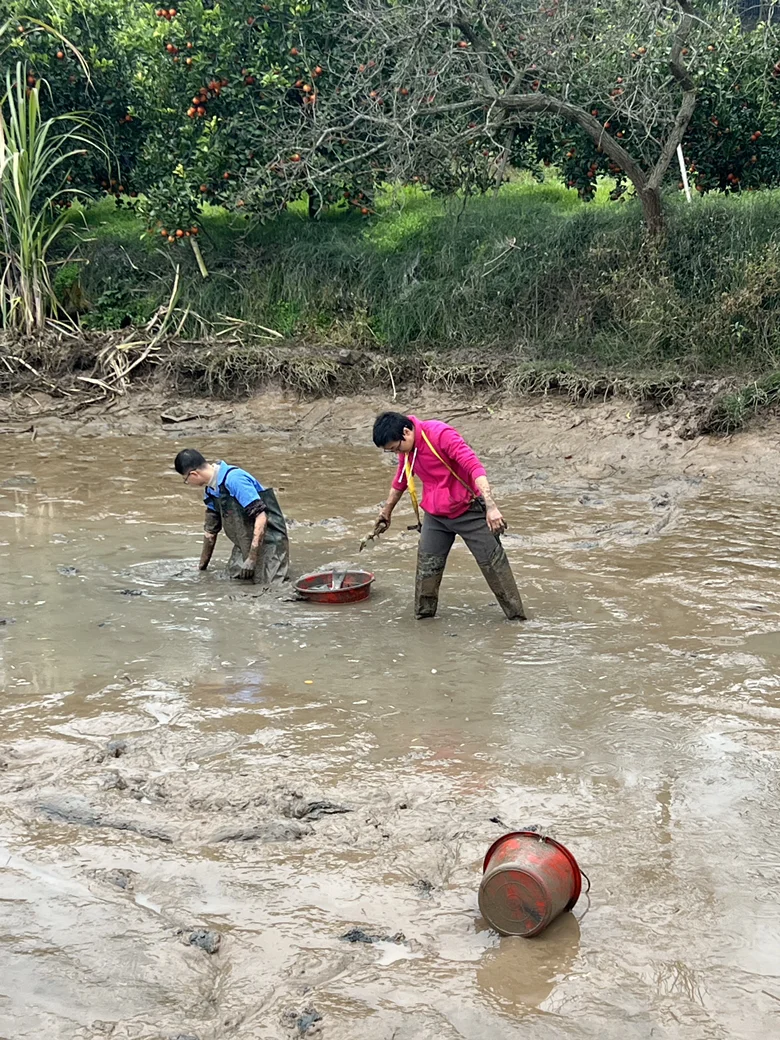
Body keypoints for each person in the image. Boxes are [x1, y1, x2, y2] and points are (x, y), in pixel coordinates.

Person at [371, 412, 526, 620]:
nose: (396, 453)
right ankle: (424, 619)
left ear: (406, 432)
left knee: (494, 566)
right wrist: (386, 511)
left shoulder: (440, 434)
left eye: (395, 448)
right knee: (427, 569)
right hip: (436, 516)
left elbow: (474, 467)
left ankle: (517, 618)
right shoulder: (407, 450)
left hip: (469, 510)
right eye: (391, 451)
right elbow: (401, 479)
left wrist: (491, 506)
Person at [174, 449, 289, 584]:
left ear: (194, 474)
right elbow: (210, 531)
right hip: (243, 544)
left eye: (186, 480)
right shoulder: (210, 491)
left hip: (269, 542)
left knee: (268, 586)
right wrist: (201, 568)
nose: (188, 483)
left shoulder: (234, 479)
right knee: (233, 581)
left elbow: (261, 517)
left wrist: (252, 559)